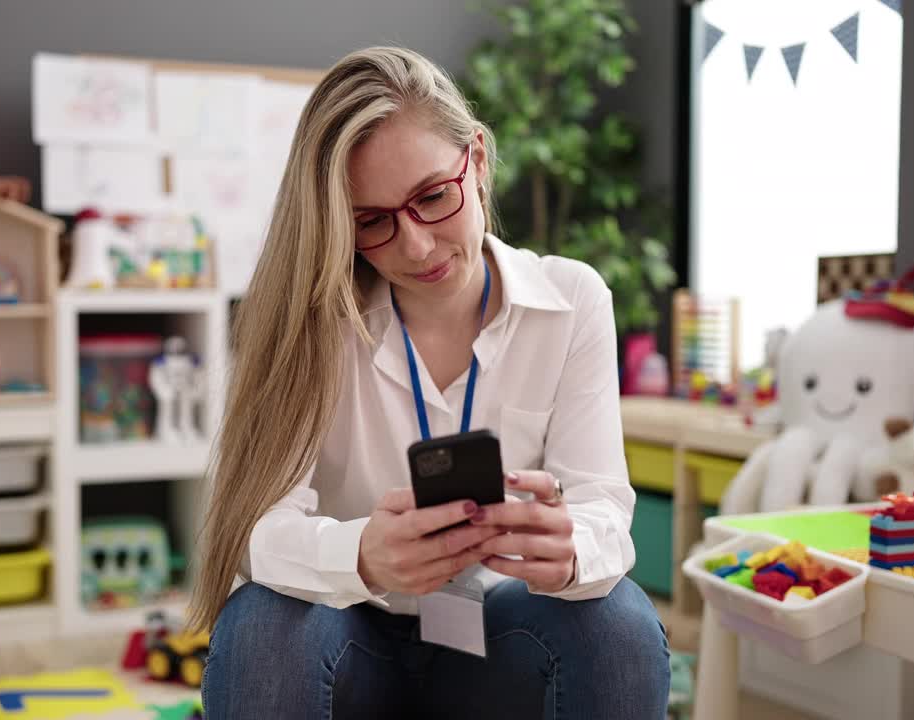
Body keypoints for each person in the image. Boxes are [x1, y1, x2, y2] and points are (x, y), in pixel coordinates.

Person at [190, 46, 669, 719]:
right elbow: (253, 529)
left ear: (475, 160)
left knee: (617, 624)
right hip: (351, 631)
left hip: (497, 636)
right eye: (372, 222)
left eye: (433, 198)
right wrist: (359, 555)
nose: (414, 247)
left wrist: (570, 551)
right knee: (262, 627)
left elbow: (603, 512)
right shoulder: (309, 322)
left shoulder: (572, 299)